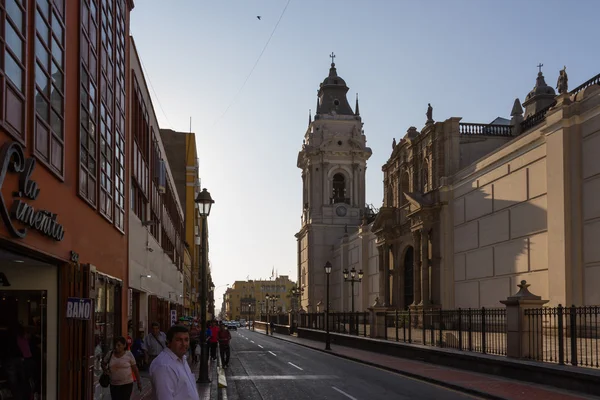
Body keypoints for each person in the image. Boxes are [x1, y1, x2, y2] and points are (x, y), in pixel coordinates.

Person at [149, 325, 199, 400]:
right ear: (169, 342)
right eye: (179, 340)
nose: (184, 344)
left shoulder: (182, 359)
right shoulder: (164, 366)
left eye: (186, 340)